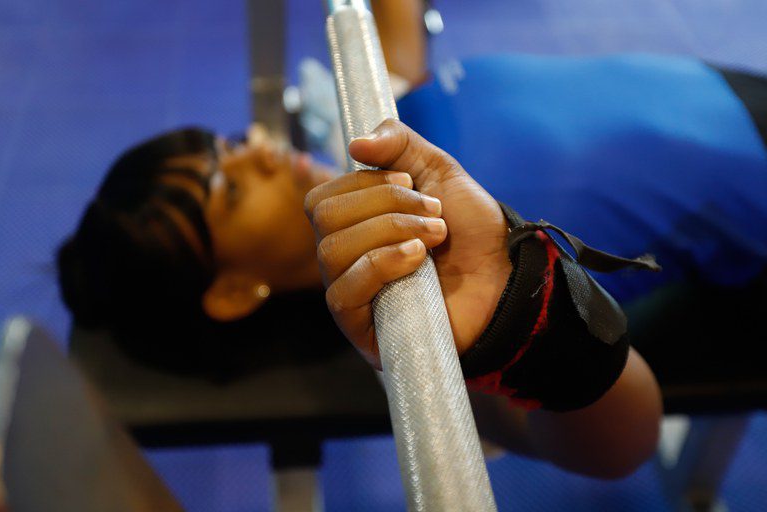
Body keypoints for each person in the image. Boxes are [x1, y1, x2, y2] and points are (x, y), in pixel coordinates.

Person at [56, 0, 767, 479]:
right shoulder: (420, 318)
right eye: (231, 190)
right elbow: (619, 448)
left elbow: (395, 22)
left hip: (728, 90)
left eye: (231, 145)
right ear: (235, 290)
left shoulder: (372, 126)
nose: (263, 150)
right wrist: (528, 333)